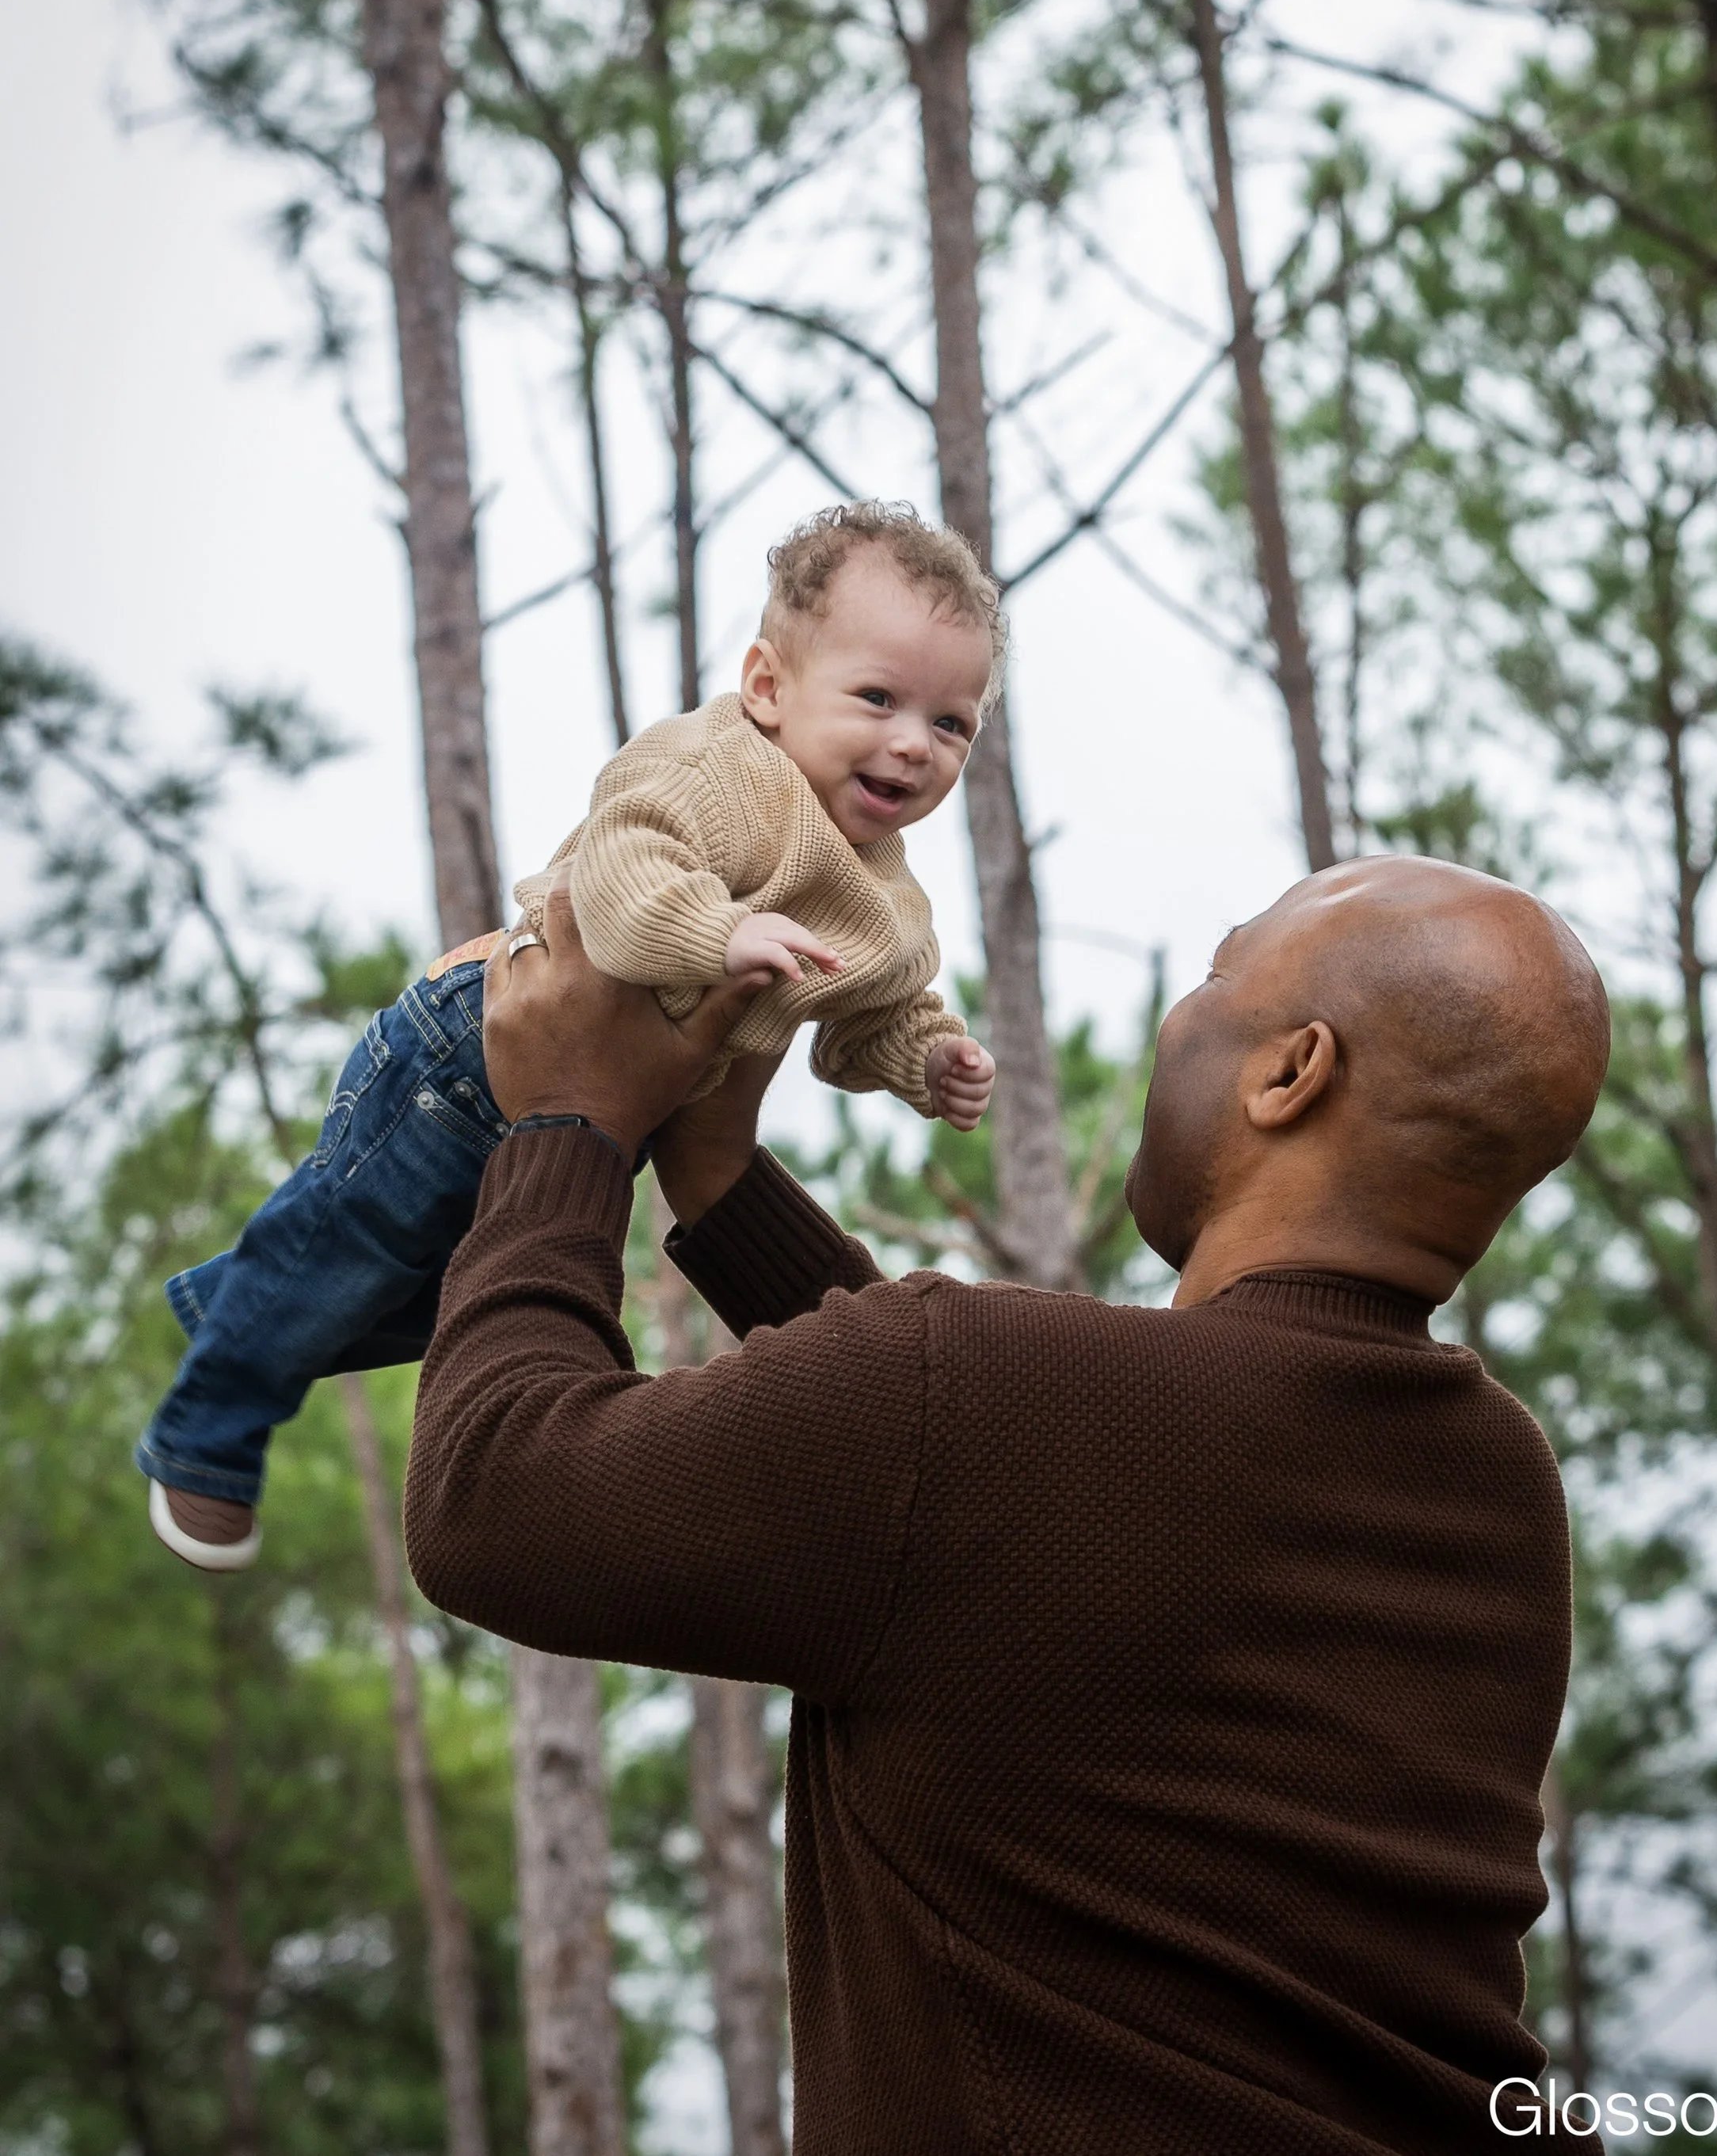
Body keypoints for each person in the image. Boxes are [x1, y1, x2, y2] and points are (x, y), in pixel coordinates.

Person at [404, 852, 1612, 2154]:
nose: (1177, 1014)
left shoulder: (986, 1412)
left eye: (1215, 973)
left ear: (1290, 1073)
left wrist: (563, 1126)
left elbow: (493, 1490)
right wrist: (722, 1181)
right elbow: (1011, 1499)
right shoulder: (1498, 1485)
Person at [139, 502, 999, 1571]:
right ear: (770, 687)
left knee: (422, 1294)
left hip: (600, 1125)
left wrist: (926, 1059)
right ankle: (203, 1439)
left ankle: (244, 1298)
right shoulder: (718, 773)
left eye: (952, 723)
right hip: (466, 1060)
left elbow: (879, 1005)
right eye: (877, 698)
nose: (914, 743)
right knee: (358, 1242)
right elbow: (625, 868)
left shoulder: (887, 898)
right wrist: (722, 931)